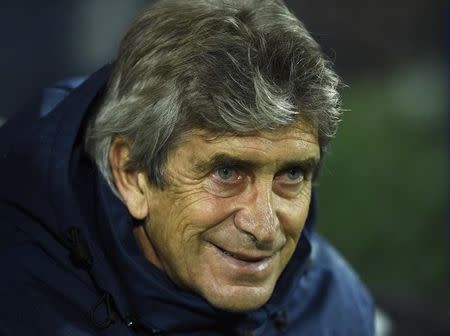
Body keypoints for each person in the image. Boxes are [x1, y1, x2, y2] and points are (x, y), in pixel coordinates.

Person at [0, 0, 374, 335]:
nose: (264, 227)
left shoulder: (334, 308)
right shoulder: (18, 303)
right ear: (132, 175)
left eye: (291, 175)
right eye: (226, 173)